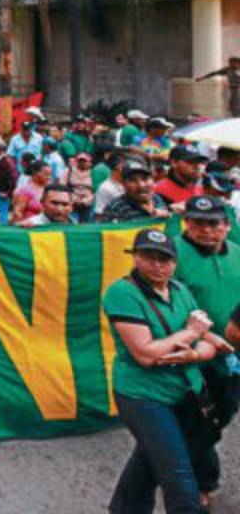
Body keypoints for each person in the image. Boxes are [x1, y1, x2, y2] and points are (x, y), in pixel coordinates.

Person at [102, 228, 233, 513]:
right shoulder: (122, 293)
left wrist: (194, 352)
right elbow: (147, 354)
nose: (157, 265)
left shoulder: (179, 290)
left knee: (150, 460)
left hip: (186, 393)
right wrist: (190, 333)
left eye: (165, 259)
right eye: (148, 257)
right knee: (179, 476)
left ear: (174, 263)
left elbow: (209, 343)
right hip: (144, 397)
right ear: (135, 257)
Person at [172, 194, 240, 496]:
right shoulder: (170, 253)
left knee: (219, 416)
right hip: (198, 356)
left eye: (213, 223)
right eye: (197, 223)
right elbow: (166, 305)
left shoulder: (237, 253)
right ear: (186, 223)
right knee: (202, 422)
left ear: (226, 225)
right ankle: (201, 484)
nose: (206, 230)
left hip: (235, 355)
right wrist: (203, 337)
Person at [100, 160, 172, 223]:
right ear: (123, 184)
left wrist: (169, 215)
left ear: (153, 180)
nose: (141, 185)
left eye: (145, 179)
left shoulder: (157, 199)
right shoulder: (115, 208)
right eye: (132, 180)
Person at [11, 160, 51, 225]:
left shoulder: (48, 188)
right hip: (29, 228)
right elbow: (17, 213)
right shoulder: (25, 191)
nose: (48, 177)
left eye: (50, 175)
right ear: (35, 173)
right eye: (46, 174)